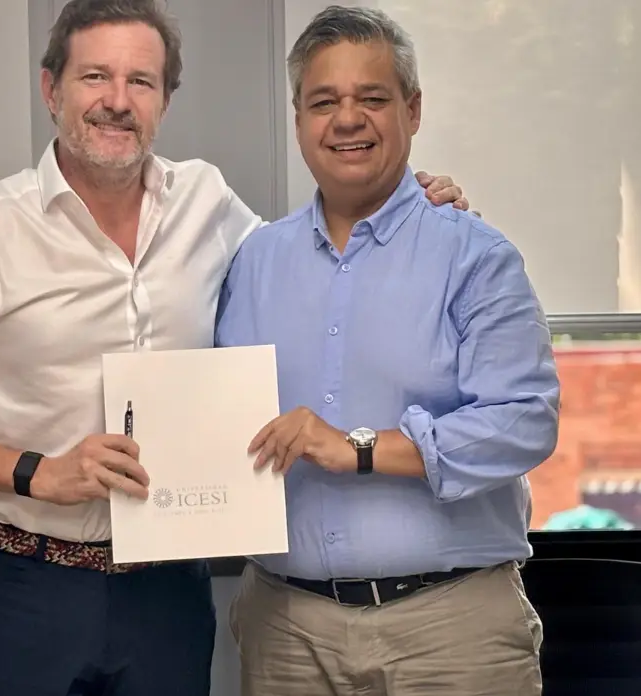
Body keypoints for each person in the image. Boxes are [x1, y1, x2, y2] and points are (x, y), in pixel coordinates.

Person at [0, 1, 471, 694]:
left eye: (141, 81)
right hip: (23, 588)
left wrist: (408, 204)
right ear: (51, 89)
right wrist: (40, 473)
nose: (117, 101)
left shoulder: (208, 204)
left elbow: (313, 265)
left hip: (168, 593)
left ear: (164, 100)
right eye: (95, 77)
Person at [215, 6, 561, 696]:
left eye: (371, 98)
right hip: (285, 633)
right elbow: (214, 415)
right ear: (298, 120)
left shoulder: (474, 255)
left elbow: (525, 421)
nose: (347, 120)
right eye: (324, 102)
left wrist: (362, 447)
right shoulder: (252, 262)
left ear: (413, 110)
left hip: (451, 633)